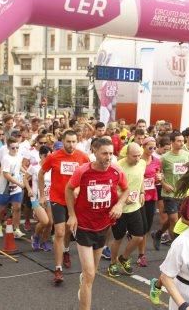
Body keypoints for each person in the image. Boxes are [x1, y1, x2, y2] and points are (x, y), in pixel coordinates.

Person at [66, 137, 129, 310]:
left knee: (91, 274)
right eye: (104, 153)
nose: (108, 157)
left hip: (103, 227)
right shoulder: (83, 171)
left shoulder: (116, 171)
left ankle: (85, 280)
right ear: (94, 152)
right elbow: (69, 189)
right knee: (90, 274)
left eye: (110, 153)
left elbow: (126, 189)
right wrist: (72, 215)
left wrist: (119, 204)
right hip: (84, 227)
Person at [39, 129, 89, 284]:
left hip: (74, 201)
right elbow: (41, 173)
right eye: (68, 141)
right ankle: (58, 268)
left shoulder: (83, 156)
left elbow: (88, 176)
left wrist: (80, 189)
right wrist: (42, 195)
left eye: (74, 141)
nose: (71, 144)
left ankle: (66, 250)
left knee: (68, 230)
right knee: (59, 232)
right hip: (58, 199)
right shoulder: (54, 156)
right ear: (63, 141)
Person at [108, 143, 147, 277]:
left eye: (139, 156)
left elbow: (141, 178)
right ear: (127, 155)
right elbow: (111, 188)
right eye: (134, 156)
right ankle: (113, 263)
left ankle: (123, 258)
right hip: (119, 208)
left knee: (138, 237)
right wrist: (123, 197)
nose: (137, 159)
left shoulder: (142, 163)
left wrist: (142, 192)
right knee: (118, 238)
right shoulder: (117, 166)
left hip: (135, 206)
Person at [152, 132, 189, 249]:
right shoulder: (164, 158)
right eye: (178, 141)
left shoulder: (187, 155)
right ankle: (175, 246)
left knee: (179, 219)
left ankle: (158, 233)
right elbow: (159, 174)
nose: (181, 143)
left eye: (182, 141)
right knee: (173, 219)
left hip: (184, 192)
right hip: (169, 192)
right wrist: (164, 184)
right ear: (172, 142)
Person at [0, 137, 26, 239]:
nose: (15, 150)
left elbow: (19, 166)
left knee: (17, 208)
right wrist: (20, 184)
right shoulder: (6, 158)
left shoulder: (19, 156)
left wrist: (26, 172)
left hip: (16, 188)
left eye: (17, 147)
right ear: (8, 148)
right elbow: (6, 175)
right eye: (13, 148)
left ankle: (16, 229)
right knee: (2, 208)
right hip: (5, 188)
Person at [137, 137, 162, 267]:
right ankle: (142, 255)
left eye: (154, 148)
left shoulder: (157, 161)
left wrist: (159, 178)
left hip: (151, 196)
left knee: (147, 227)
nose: (152, 150)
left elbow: (158, 178)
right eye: (149, 147)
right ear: (143, 146)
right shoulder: (138, 159)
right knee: (141, 228)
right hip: (138, 197)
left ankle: (136, 237)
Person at [24, 145, 53, 251]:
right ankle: (35, 237)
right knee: (45, 221)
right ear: (40, 155)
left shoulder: (52, 168)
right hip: (36, 198)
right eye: (45, 156)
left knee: (50, 223)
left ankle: (44, 242)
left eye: (50, 156)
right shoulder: (35, 167)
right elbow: (25, 178)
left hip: (49, 198)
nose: (47, 158)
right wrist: (29, 189)